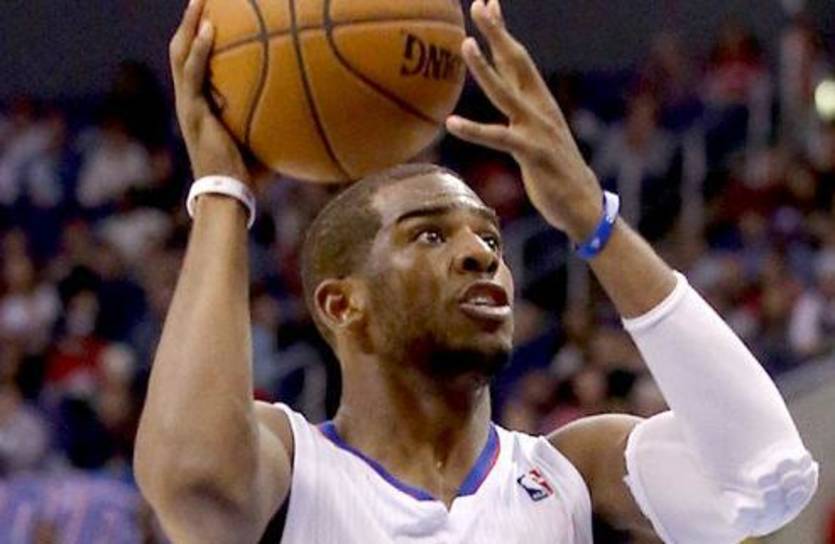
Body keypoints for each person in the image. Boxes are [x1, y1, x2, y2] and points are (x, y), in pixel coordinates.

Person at [134, 0, 818, 542]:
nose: (480, 253)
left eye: (489, 237)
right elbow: (194, 479)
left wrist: (593, 220)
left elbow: (765, 478)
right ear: (342, 305)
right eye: (429, 234)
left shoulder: (573, 474)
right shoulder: (295, 469)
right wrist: (222, 194)